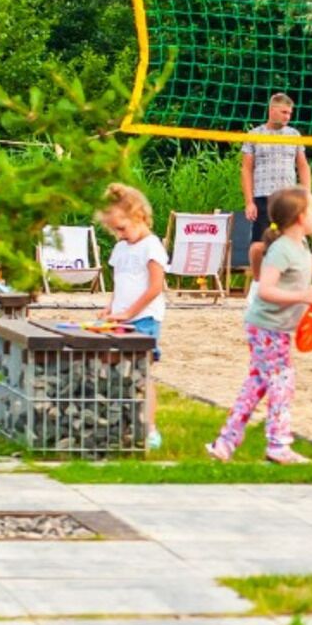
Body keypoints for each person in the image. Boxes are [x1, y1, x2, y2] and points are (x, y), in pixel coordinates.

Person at [210, 186, 312, 465]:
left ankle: (225, 443)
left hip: (276, 329)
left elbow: (302, 272)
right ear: (300, 217)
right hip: (266, 328)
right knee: (282, 382)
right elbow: (266, 290)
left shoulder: (300, 247)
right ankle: (278, 445)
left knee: (257, 384)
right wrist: (302, 296)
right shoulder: (281, 250)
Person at [101, 182, 168, 450]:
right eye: (113, 230)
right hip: (121, 319)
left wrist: (130, 312)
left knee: (143, 374)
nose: (118, 235)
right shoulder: (121, 249)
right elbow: (120, 284)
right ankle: (121, 423)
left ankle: (150, 428)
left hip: (144, 320)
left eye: (121, 228)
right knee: (115, 369)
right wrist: (111, 307)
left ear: (138, 216)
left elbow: (155, 287)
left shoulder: (151, 247)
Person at [241, 92, 311, 280]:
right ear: (272, 110)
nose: (287, 117)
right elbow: (246, 170)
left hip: (288, 199)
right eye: (284, 112)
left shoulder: (294, 134)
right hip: (263, 197)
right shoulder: (255, 135)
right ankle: (257, 283)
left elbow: (303, 166)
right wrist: (249, 201)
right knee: (258, 246)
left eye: (289, 113)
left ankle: (294, 282)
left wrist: (307, 196)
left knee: (296, 243)